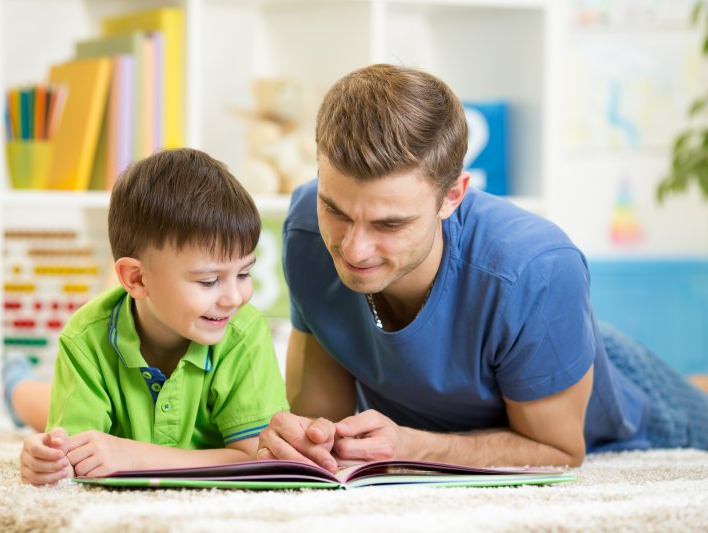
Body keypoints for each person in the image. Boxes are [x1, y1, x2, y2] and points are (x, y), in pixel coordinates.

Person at [256, 63, 708, 471]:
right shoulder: (305, 231)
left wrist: (413, 447)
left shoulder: (539, 267)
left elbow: (558, 451)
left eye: (389, 223)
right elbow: (323, 422)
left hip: (626, 394)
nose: (353, 249)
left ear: (453, 196)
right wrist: (304, 439)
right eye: (335, 209)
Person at [16, 148, 289, 486]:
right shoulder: (85, 335)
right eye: (208, 281)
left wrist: (135, 457)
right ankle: (14, 381)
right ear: (137, 279)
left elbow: (257, 460)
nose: (235, 297)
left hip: (130, 434)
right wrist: (47, 458)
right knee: (29, 400)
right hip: (91, 391)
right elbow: (75, 455)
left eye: (245, 274)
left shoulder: (245, 333)